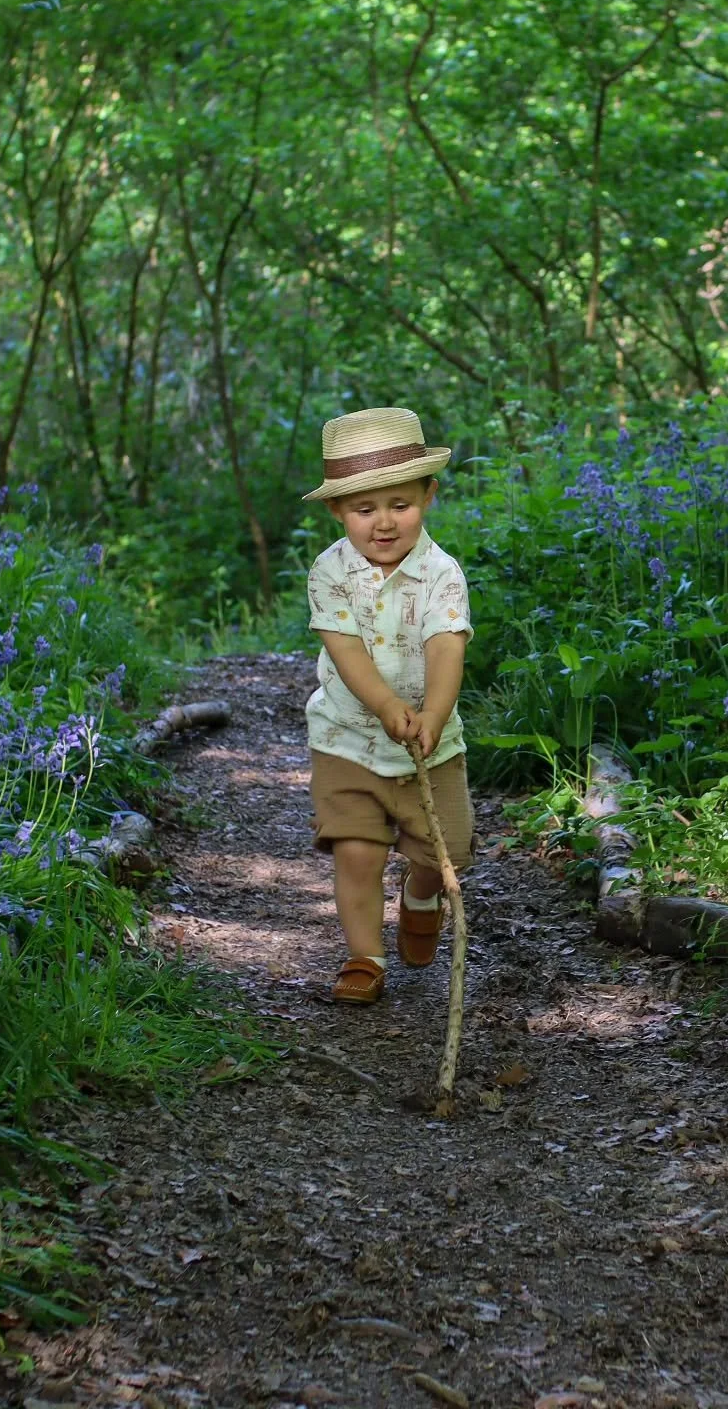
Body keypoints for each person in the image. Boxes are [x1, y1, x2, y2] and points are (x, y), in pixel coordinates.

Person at [302, 406, 475, 1005]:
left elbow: (446, 647)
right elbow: (345, 650)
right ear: (336, 510)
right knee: (356, 850)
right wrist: (383, 705)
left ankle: (421, 897)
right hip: (347, 739)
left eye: (399, 505)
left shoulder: (441, 574)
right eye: (363, 509)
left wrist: (432, 713)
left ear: (428, 494)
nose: (383, 524)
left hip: (433, 743)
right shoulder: (330, 572)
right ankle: (364, 957)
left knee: (445, 852)